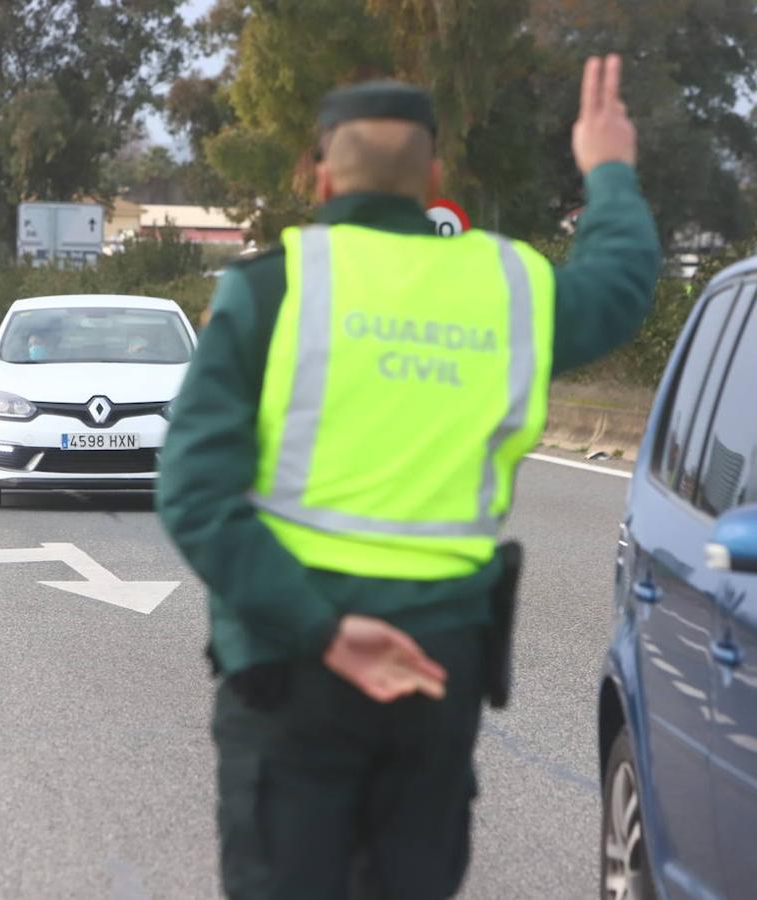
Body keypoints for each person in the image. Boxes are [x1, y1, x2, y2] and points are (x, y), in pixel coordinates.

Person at [158, 56, 659, 900]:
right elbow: (619, 284)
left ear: (319, 178)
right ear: (432, 177)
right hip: (436, 664)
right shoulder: (506, 289)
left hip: (292, 664)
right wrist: (606, 167)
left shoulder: (273, 291)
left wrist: (322, 630)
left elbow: (193, 494)